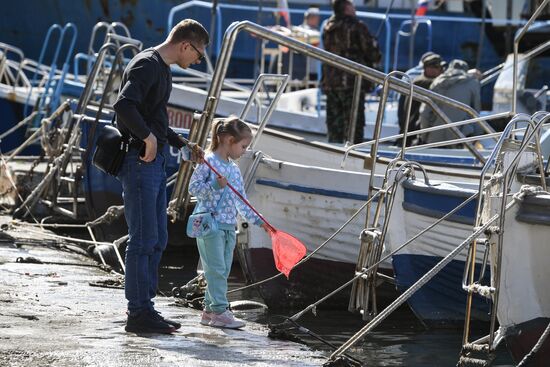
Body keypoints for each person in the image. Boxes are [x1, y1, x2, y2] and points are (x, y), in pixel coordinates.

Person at [114, 19, 209, 334]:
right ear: (185, 45)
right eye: (198, 53)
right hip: (140, 161)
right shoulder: (147, 65)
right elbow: (124, 106)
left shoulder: (162, 69)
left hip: (152, 163)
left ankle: (147, 308)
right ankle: (138, 313)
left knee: (158, 238)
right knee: (142, 239)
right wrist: (148, 138)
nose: (197, 60)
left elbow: (152, 116)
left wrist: (181, 143)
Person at [188, 116, 268, 329]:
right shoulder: (207, 162)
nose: (244, 151)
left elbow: (242, 201)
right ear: (229, 140)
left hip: (228, 227)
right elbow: (193, 189)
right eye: (243, 146)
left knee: (221, 269)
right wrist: (214, 185)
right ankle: (221, 311)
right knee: (215, 268)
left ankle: (209, 311)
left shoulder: (233, 169)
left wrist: (260, 222)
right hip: (209, 225)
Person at [321, 0, 381, 144]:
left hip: (331, 82)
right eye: (352, 6)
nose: (354, 9)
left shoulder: (328, 27)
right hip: (352, 83)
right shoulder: (356, 26)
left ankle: (332, 152)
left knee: (335, 125)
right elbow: (373, 54)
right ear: (347, 8)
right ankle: (353, 155)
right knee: (354, 126)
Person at [418, 59, 482, 145]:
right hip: (460, 138)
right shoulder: (472, 83)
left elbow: (425, 112)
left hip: (434, 138)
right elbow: (475, 113)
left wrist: (424, 136)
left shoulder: (437, 81)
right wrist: (477, 136)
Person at [397, 52, 444, 146]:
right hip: (416, 127)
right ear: (426, 68)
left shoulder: (417, 81)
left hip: (415, 128)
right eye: (433, 67)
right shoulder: (423, 83)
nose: (436, 70)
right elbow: (404, 108)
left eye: (437, 67)